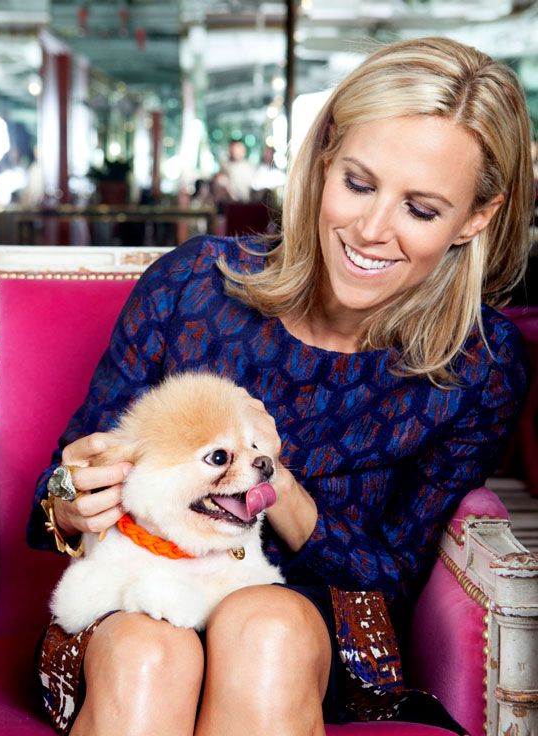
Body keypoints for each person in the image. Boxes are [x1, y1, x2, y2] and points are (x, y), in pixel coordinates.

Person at [28, 36, 532, 736]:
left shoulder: (480, 364)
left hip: (314, 631)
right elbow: (50, 499)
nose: (371, 229)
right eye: (358, 183)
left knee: (266, 630)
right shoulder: (194, 286)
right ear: (324, 159)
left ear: (475, 218)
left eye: (421, 209)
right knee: (148, 654)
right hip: (137, 598)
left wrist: (273, 487)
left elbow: (394, 578)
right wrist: (71, 498)